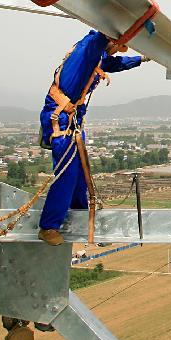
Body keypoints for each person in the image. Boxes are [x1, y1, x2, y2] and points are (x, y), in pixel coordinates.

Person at [37, 30, 147, 245]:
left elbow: (114, 64)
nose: (116, 51)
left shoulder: (96, 57)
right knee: (67, 174)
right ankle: (48, 226)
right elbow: (98, 42)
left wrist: (141, 59)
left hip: (71, 120)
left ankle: (80, 216)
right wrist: (108, 27)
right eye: (117, 45)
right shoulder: (90, 49)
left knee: (79, 176)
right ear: (110, 40)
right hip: (61, 120)